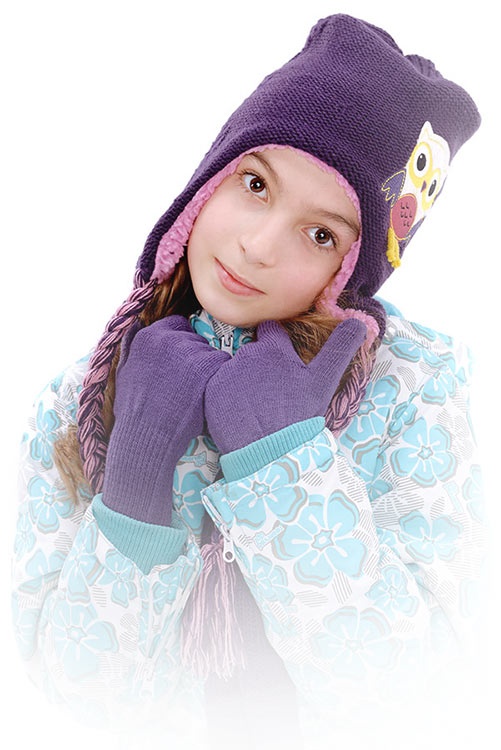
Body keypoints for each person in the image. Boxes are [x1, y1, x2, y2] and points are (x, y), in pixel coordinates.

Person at [12, 13, 485, 750]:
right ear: (207, 182)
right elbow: (85, 705)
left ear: (353, 271)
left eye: (321, 233)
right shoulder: (85, 399)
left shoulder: (412, 394)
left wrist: (287, 459)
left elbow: (417, 696)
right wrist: (135, 473)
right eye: (255, 183)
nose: (258, 245)